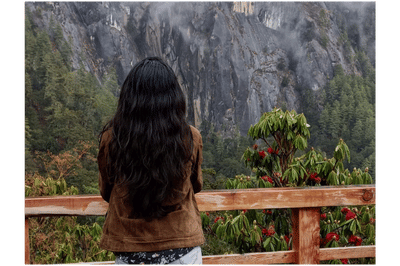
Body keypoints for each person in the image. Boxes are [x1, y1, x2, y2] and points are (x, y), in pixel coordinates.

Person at [97, 57, 205, 265]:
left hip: (131, 246)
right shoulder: (191, 137)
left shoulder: (112, 139)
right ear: (174, 98)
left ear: (129, 98)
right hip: (181, 245)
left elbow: (106, 190)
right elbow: (196, 184)